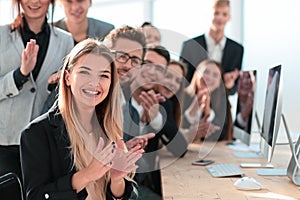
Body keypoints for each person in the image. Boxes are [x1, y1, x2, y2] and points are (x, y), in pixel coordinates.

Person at [20, 39, 144, 200]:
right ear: (67, 78)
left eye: (104, 75)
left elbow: (123, 195)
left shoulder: (109, 128)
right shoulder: (36, 133)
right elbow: (36, 197)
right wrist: (86, 175)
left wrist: (117, 179)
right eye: (85, 72)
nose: (95, 83)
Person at [0, 0, 73, 193]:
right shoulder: (0, 35)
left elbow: (66, 95)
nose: (35, 1)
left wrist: (55, 87)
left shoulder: (65, 40)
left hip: (43, 140)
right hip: (5, 141)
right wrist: (20, 75)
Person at [180, 0, 243, 95]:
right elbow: (182, 81)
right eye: (216, 13)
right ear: (209, 15)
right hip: (192, 102)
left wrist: (228, 85)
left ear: (229, 18)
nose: (220, 18)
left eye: (224, 14)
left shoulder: (237, 50)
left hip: (221, 105)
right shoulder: (190, 46)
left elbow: (234, 89)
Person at [182, 59, 232, 141]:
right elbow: (178, 127)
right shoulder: (183, 95)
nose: (209, 77)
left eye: (215, 75)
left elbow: (222, 133)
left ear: (220, 82)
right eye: (206, 72)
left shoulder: (223, 100)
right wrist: (194, 108)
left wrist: (208, 111)